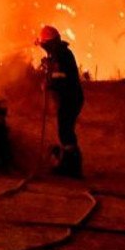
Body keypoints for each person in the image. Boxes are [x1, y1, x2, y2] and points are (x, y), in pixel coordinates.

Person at [35, 25, 84, 178]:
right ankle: (70, 164)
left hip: (70, 98)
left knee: (65, 130)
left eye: (44, 45)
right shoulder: (59, 53)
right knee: (65, 130)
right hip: (70, 97)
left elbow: (61, 78)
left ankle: (71, 167)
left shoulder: (60, 55)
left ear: (49, 43)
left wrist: (48, 84)